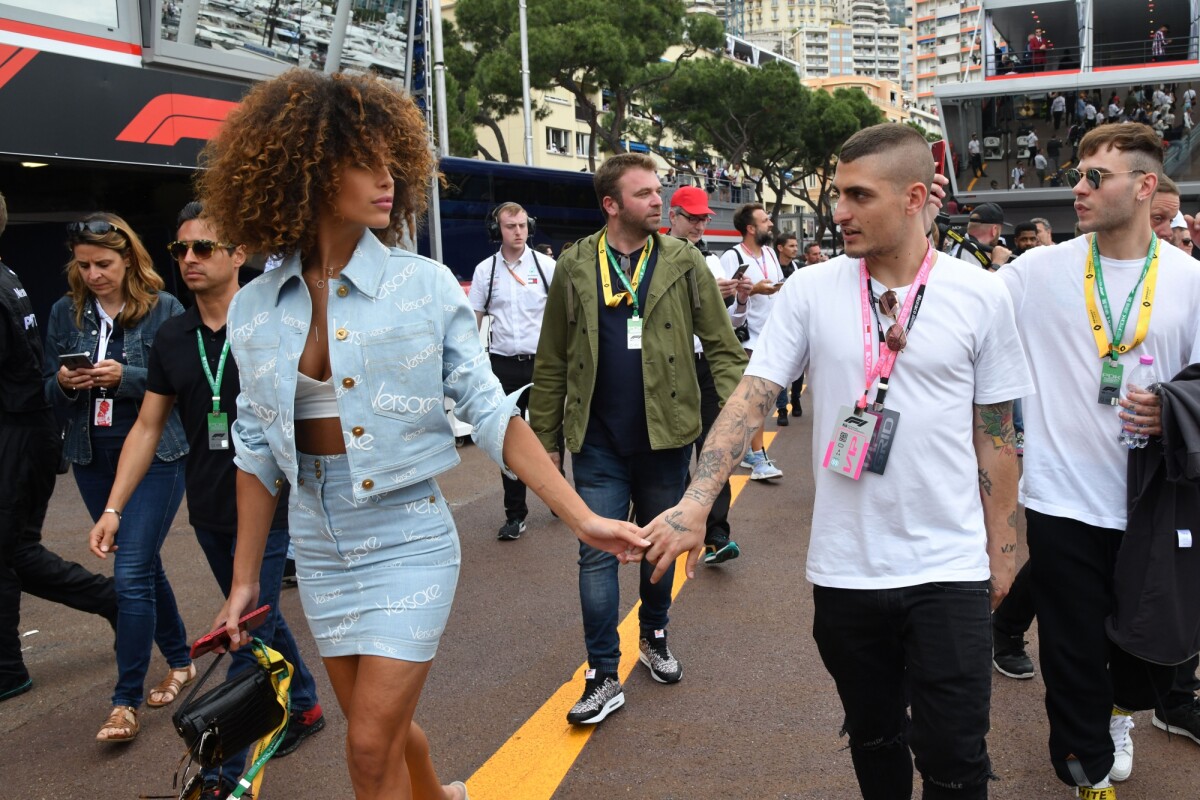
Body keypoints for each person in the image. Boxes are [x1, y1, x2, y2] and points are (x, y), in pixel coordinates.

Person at [198, 69, 648, 800]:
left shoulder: (426, 284)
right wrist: (247, 581)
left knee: (367, 746)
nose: (389, 180)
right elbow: (255, 449)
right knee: (383, 726)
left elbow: (494, 412)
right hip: (318, 546)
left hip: (408, 538)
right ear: (308, 173)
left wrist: (583, 517)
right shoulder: (253, 308)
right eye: (363, 162)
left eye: (392, 162)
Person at [642, 122, 1034, 800]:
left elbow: (997, 433)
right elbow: (753, 396)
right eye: (836, 195)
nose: (840, 212)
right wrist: (697, 500)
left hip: (950, 565)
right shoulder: (811, 290)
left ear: (914, 198)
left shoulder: (981, 294)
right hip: (846, 571)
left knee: (955, 757)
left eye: (858, 195)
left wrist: (1004, 545)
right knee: (876, 736)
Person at [86, 203, 325, 795]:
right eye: (181, 250)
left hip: (271, 503)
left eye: (203, 248)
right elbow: (146, 427)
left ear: (238, 254)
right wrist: (114, 507)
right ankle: (305, 704)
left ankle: (221, 774)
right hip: (211, 509)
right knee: (254, 619)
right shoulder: (172, 336)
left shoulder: (274, 322)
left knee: (241, 634)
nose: (189, 260)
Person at [998, 123, 1200, 798]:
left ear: (1145, 186)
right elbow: (961, 311)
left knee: (1151, 645)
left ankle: (1121, 709)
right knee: (1071, 647)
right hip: (1061, 497)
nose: (1076, 188)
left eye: (1094, 177)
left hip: (1154, 497)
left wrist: (1172, 406)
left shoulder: (1190, 279)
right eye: (1077, 174)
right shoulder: (1035, 272)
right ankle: (1085, 770)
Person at [528, 153, 747, 725]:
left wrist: (740, 417)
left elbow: (722, 347)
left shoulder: (683, 260)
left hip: (667, 437)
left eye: (659, 192)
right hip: (596, 440)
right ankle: (602, 673)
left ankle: (653, 635)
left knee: (660, 546)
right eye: (647, 193)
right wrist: (544, 439)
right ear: (611, 204)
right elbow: (551, 361)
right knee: (595, 553)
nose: (660, 202)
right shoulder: (576, 265)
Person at [43, 212, 192, 743]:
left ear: (128, 257)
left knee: (128, 573)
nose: (93, 275)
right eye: (83, 265)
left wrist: (124, 377)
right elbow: (44, 390)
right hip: (91, 455)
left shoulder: (165, 308)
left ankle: (123, 701)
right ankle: (181, 660)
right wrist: (63, 381)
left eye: (103, 264)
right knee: (143, 566)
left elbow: (176, 385)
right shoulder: (66, 311)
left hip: (157, 454)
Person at [0, 191, 118, 705]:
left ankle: (6, 669)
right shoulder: (5, 274)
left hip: (20, 434)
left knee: (8, 552)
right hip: (25, 431)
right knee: (15, 550)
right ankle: (117, 601)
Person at [667, 185, 747, 565]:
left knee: (715, 450)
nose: (699, 224)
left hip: (708, 368)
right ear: (673, 217)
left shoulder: (712, 261)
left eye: (703, 218)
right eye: (692, 217)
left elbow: (727, 325)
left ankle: (717, 533)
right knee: (675, 451)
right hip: (672, 369)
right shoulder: (654, 259)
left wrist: (735, 298)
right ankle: (681, 524)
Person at [467, 202, 556, 541]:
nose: (518, 232)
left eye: (522, 225)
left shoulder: (547, 266)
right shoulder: (484, 271)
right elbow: (472, 320)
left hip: (543, 364)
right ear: (497, 231)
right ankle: (515, 515)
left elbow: (563, 315)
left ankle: (556, 497)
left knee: (549, 436)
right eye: (510, 226)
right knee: (508, 442)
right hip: (503, 364)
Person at [720, 204, 785, 480]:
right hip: (746, 337)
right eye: (765, 220)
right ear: (750, 228)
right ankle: (759, 459)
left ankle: (748, 451)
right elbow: (723, 300)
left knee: (760, 399)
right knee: (754, 398)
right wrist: (754, 290)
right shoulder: (732, 256)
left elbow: (778, 286)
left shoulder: (770, 252)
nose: (770, 223)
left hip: (772, 335)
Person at [773, 231, 805, 423]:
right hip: (778, 325)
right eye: (791, 246)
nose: (795, 249)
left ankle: (796, 398)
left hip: (797, 324)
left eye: (796, 245)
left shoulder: (798, 268)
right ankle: (782, 408)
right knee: (781, 368)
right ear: (780, 248)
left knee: (798, 367)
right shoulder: (771, 268)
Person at [943, 203, 1013, 269]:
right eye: (999, 230)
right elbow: (978, 282)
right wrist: (997, 263)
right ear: (994, 230)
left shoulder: (967, 247)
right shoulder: (969, 251)